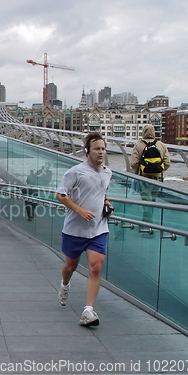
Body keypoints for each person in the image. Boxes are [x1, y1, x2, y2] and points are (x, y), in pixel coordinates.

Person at [55, 132, 113, 327]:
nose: (101, 152)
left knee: (96, 266)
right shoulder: (75, 172)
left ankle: (88, 311)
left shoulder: (107, 172)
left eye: (103, 148)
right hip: (75, 229)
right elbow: (60, 195)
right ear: (87, 150)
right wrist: (80, 210)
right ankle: (65, 284)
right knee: (70, 266)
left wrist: (106, 203)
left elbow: (101, 192)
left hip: (98, 229)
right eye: (97, 148)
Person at [130, 124, 171, 223]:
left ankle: (147, 223)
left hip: (144, 178)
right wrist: (159, 171)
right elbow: (167, 163)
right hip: (157, 179)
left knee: (145, 201)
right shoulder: (161, 145)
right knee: (153, 200)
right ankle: (151, 222)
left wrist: (139, 171)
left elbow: (133, 163)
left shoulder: (139, 145)